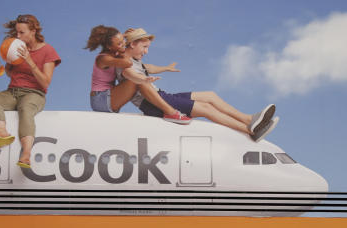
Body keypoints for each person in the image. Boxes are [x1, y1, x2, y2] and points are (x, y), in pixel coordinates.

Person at [119, 28, 277, 141]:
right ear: (132, 44)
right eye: (144, 47)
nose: (146, 51)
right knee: (206, 109)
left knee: (210, 96)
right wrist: (142, 80)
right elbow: (130, 74)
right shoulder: (123, 63)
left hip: (161, 94)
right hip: (153, 103)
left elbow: (149, 67)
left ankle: (249, 119)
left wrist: (165, 68)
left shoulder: (135, 60)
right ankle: (250, 131)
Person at [0, 14, 60, 170]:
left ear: (33, 31)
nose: (18, 36)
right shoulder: (17, 46)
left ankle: (26, 154)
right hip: (12, 92)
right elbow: (13, 74)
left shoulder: (48, 51)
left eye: (21, 32)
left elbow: (45, 82)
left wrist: (29, 61)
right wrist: (9, 63)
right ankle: (2, 132)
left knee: (25, 109)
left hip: (34, 93)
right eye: (16, 32)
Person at [84, 25, 190, 124]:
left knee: (137, 78)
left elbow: (143, 66)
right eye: (120, 43)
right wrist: (130, 44)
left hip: (109, 96)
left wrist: (125, 37)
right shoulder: (103, 59)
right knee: (135, 80)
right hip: (101, 100)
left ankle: (169, 111)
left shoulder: (114, 51)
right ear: (109, 46)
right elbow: (128, 63)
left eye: (123, 41)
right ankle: (171, 113)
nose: (124, 45)